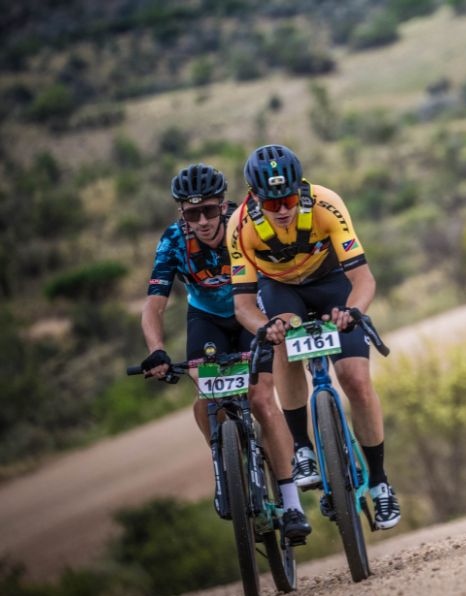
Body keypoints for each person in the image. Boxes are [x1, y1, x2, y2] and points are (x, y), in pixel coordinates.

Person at [226, 144, 401, 529]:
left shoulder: (326, 204)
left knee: (356, 380)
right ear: (255, 199)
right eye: (272, 205)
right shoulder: (239, 227)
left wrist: (353, 311)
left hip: (332, 283)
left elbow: (363, 278)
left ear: (300, 189)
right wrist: (264, 328)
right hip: (281, 290)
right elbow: (242, 305)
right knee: (284, 336)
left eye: (288, 198)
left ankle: (379, 482)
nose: (283, 209)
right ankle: (302, 446)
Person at [140, 163, 311, 543]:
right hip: (208, 319)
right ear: (180, 214)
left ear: (223, 205)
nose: (202, 221)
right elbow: (154, 305)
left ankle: (291, 503)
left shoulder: (245, 223)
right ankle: (225, 470)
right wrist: (156, 350)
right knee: (208, 399)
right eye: (191, 213)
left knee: (263, 399)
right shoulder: (173, 241)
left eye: (210, 210)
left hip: (252, 313)